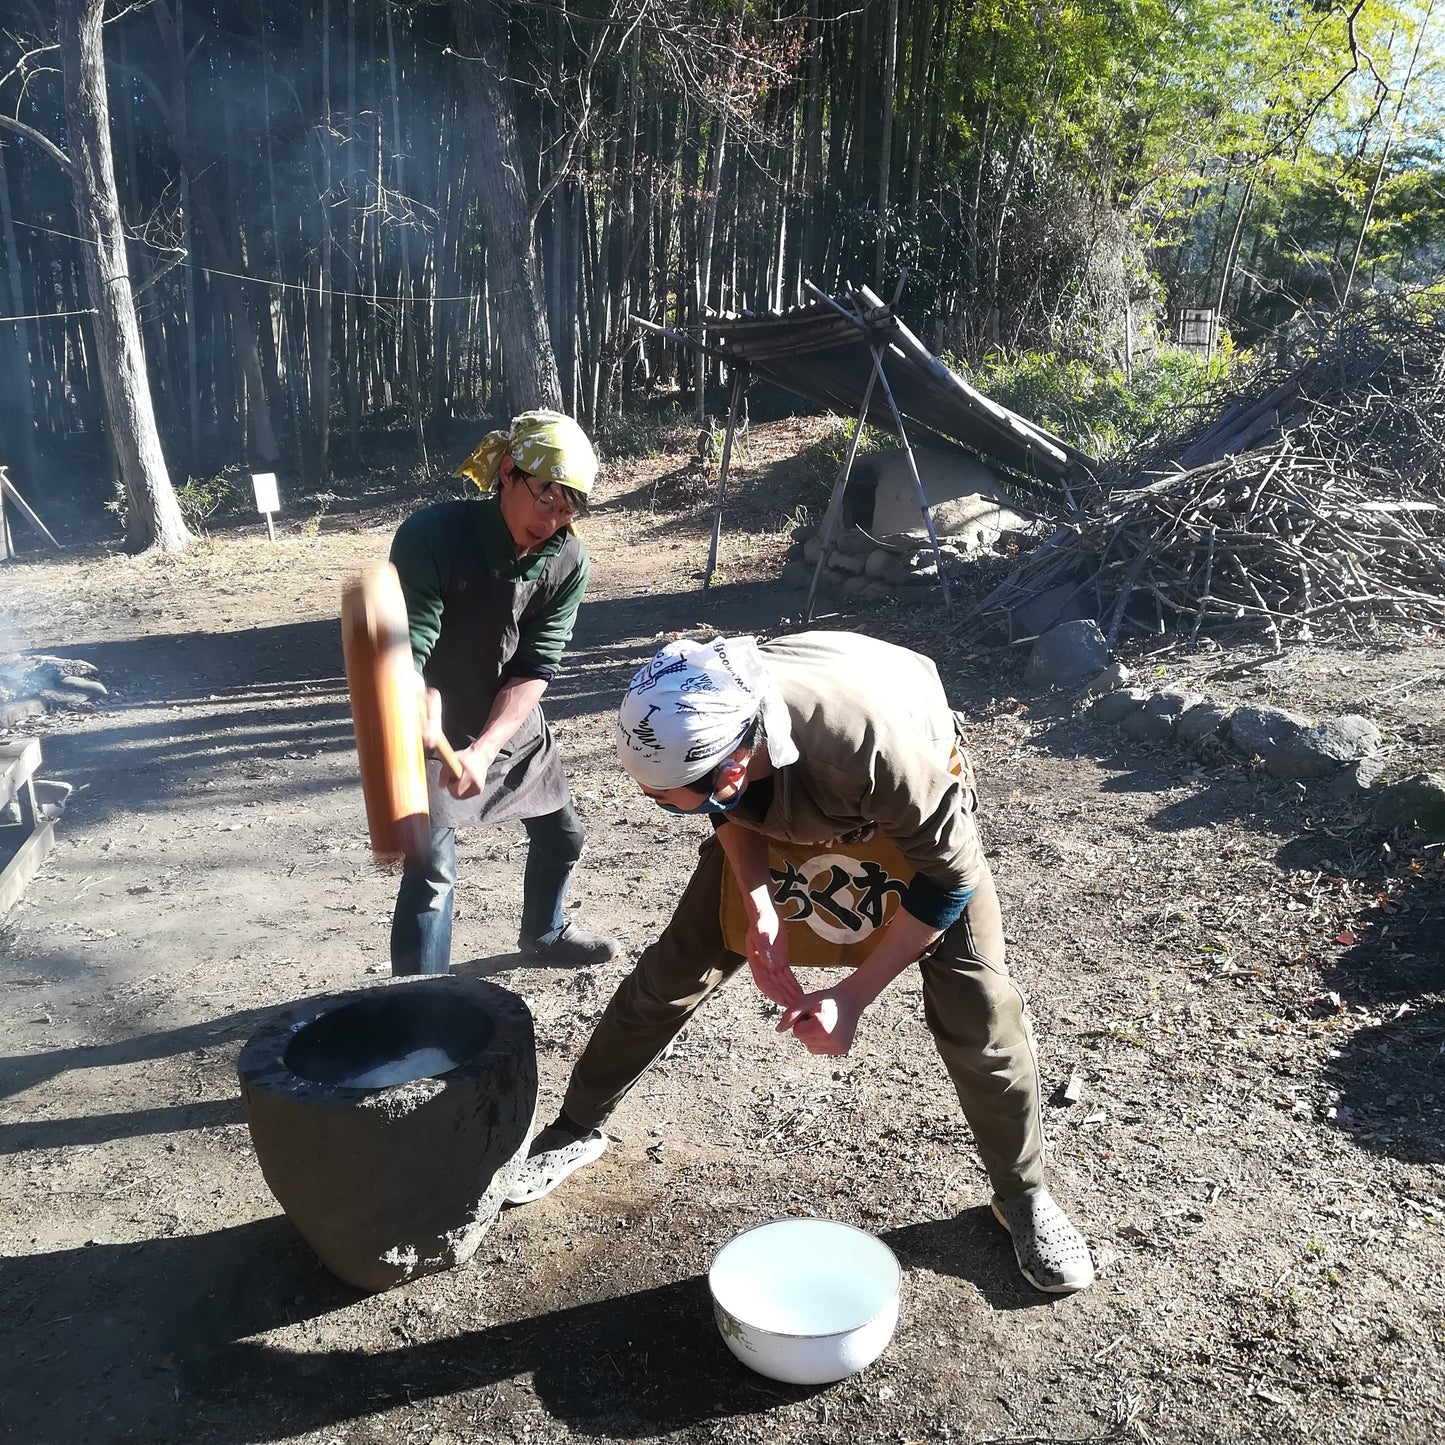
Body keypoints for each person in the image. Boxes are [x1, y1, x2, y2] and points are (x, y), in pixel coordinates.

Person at [505, 630, 1094, 1294]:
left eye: (665, 800)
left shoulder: (874, 752)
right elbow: (725, 808)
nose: (659, 807)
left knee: (977, 1002)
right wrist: (757, 903)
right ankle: (575, 1125)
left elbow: (947, 880)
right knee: (675, 967)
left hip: (905, 804)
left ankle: (1022, 1194)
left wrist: (853, 993)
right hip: (772, 780)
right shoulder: (700, 694)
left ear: (731, 765)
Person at [387, 409, 619, 974]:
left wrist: (487, 747)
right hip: (429, 716)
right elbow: (408, 644)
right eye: (546, 497)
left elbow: (536, 665)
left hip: (506, 715)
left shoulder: (568, 558)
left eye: (570, 506)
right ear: (509, 472)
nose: (555, 517)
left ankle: (546, 932)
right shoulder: (432, 535)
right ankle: (420, 1006)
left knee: (564, 835)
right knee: (432, 869)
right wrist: (410, 695)